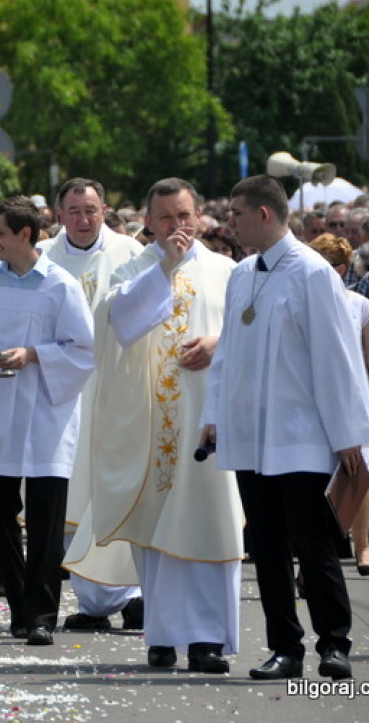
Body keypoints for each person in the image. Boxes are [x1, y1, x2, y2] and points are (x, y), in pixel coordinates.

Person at [202, 175, 369, 682]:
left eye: (236, 214)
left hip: (301, 435)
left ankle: (334, 644)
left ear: (263, 214)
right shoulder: (242, 274)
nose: (228, 222)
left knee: (314, 544)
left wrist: (349, 433)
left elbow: (337, 357)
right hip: (251, 435)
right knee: (269, 548)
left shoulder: (312, 272)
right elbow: (227, 354)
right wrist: (212, 416)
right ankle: (285, 647)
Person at [66, 177, 244, 673]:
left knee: (209, 525)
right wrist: (164, 268)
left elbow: (250, 336)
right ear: (149, 221)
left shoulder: (228, 271)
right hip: (152, 428)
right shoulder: (136, 267)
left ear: (198, 216)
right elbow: (116, 323)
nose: (177, 227)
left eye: (184, 216)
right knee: (158, 530)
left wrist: (218, 345)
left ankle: (208, 639)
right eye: (165, 218)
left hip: (207, 425)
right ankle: (163, 636)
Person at [0, 196, 94, 646]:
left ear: (24, 235)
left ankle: (41, 614)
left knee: (46, 517)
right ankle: (17, 601)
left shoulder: (59, 285)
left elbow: (83, 349)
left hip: (45, 414)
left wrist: (35, 354)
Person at [40, 177, 144, 632]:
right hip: (62, 397)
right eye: (74, 211)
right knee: (74, 491)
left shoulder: (131, 255)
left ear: (105, 211)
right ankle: (93, 599)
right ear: (59, 214)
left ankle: (134, 591)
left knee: (119, 486)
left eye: (92, 210)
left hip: (120, 391)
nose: (83, 220)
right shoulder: (42, 259)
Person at [309, 233, 369, 577]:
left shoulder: (359, 305)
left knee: (359, 476)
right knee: (314, 478)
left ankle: (363, 546)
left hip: (355, 400)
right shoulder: (302, 304)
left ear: (338, 270)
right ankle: (313, 555)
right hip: (311, 401)